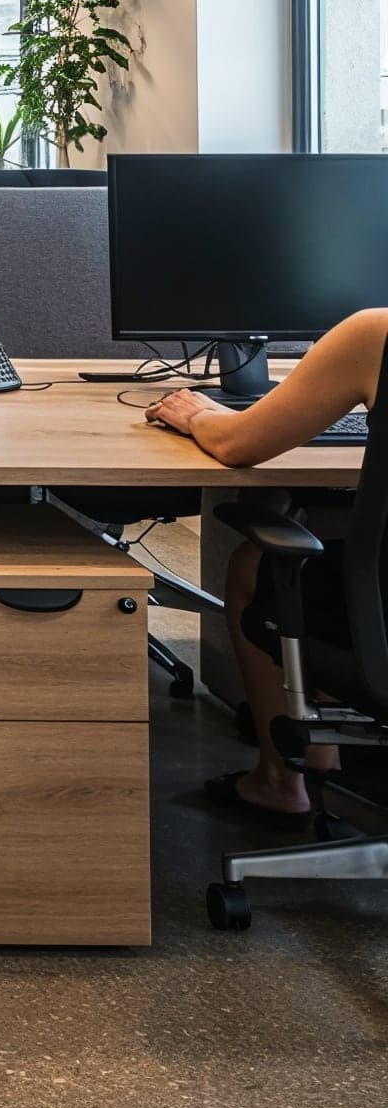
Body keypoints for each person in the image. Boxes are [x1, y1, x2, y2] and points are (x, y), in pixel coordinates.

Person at [146, 309, 388, 822]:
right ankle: (324, 752)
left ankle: (283, 780)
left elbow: (238, 445)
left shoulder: (377, 332)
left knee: (257, 564)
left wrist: (197, 414)